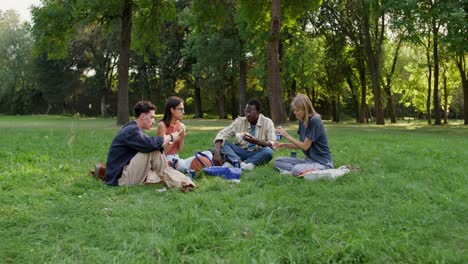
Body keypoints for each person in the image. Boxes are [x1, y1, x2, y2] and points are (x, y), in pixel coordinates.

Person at [104, 101, 180, 186]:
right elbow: (151, 145)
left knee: (153, 148)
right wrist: (170, 137)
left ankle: (172, 177)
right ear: (143, 116)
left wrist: (165, 164)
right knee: (154, 149)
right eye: (152, 117)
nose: (154, 121)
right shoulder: (132, 130)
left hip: (121, 176)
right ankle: (175, 181)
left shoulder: (134, 129)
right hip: (120, 180)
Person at [273, 94, 333, 176]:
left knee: (296, 169)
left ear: (305, 109)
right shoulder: (302, 121)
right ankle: (299, 172)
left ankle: (296, 172)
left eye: (297, 110)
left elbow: (305, 146)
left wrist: (286, 135)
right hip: (309, 161)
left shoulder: (315, 121)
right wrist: (283, 145)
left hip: (322, 163)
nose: (295, 113)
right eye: (294, 110)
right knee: (278, 161)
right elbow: (300, 145)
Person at [213, 99, 275, 170]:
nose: (247, 114)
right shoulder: (239, 121)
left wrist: (255, 141)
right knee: (224, 143)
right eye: (246, 111)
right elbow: (222, 134)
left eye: (250, 111)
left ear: (258, 112)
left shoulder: (267, 122)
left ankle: (236, 163)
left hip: (257, 153)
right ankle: (241, 164)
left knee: (268, 151)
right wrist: (217, 152)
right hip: (240, 151)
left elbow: (271, 144)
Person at [156, 96, 213, 173]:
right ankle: (193, 169)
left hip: (177, 158)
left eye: (183, 109)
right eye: (180, 109)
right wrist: (174, 137)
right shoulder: (162, 125)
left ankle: (192, 168)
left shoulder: (180, 125)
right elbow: (162, 152)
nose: (183, 112)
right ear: (172, 110)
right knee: (182, 165)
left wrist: (182, 138)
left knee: (208, 154)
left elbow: (180, 150)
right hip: (165, 160)